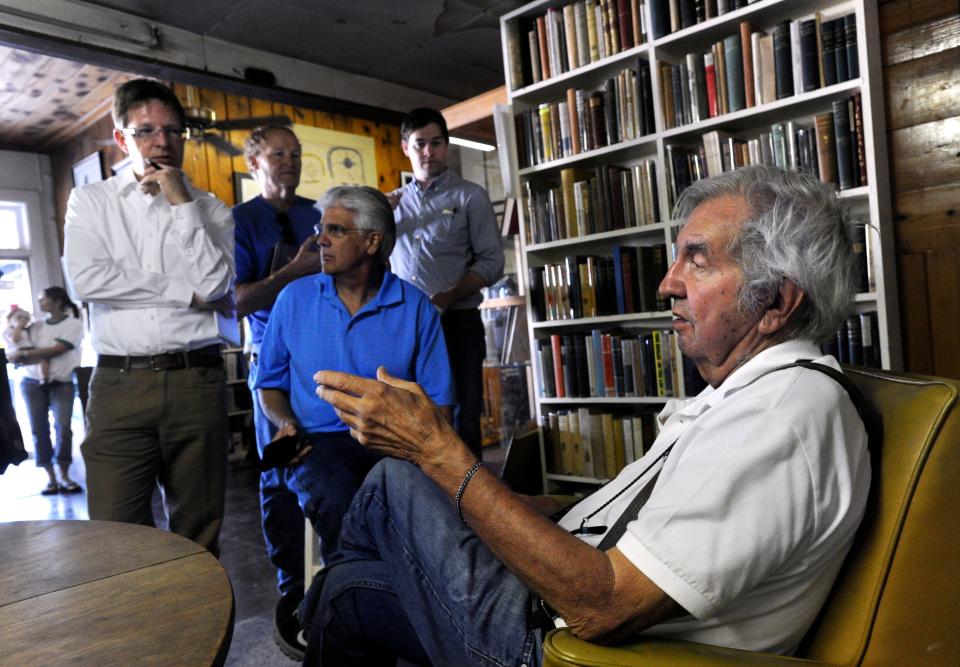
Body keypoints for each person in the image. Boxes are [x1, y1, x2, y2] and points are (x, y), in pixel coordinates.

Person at [303, 165, 873, 665]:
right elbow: (650, 524)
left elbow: (604, 606)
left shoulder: (781, 415)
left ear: (775, 302)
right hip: (550, 599)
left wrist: (437, 451)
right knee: (344, 591)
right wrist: (526, 508)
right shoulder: (746, 392)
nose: (666, 283)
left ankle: (311, 613)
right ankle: (317, 608)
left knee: (396, 476)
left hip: (558, 647)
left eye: (696, 262)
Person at [254, 185, 454, 659]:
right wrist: (285, 423)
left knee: (402, 497)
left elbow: (440, 408)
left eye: (335, 230)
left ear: (372, 241)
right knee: (335, 494)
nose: (319, 239)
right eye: (320, 228)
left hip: (393, 439)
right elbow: (269, 385)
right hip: (316, 440)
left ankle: (335, 607)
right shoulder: (293, 299)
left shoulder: (416, 307)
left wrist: (424, 452)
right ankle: (386, 612)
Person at [62, 78, 235, 553]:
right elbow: (88, 281)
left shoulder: (212, 210)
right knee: (115, 532)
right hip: (120, 384)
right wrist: (184, 292)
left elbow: (217, 286)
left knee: (200, 532)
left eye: (173, 130)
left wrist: (182, 203)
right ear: (122, 138)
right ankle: (134, 629)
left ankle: (201, 627)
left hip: (195, 380)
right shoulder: (91, 202)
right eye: (145, 131)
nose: (161, 141)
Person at [388, 107, 504, 458]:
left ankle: (470, 510)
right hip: (404, 327)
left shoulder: (470, 196)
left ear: (446, 146)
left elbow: (493, 261)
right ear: (406, 147)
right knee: (412, 418)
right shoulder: (390, 205)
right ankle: (423, 506)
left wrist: (448, 296)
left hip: (458, 324)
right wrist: (379, 212)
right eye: (420, 143)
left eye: (436, 143)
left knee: (463, 416)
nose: (429, 152)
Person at [234, 124, 322, 449]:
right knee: (280, 462)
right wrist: (294, 270)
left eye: (296, 154)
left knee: (326, 455)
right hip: (271, 362)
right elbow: (236, 303)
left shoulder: (320, 213)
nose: (290, 161)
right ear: (254, 163)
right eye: (279, 154)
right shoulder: (239, 221)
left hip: (321, 353)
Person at [6, 288, 84, 495]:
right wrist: (23, 354)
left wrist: (24, 354)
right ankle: (50, 478)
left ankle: (65, 474)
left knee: (63, 428)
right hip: (31, 383)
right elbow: (15, 351)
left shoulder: (73, 324)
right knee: (39, 430)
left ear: (57, 301)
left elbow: (58, 349)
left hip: (62, 382)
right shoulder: (36, 326)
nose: (40, 304)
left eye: (44, 300)